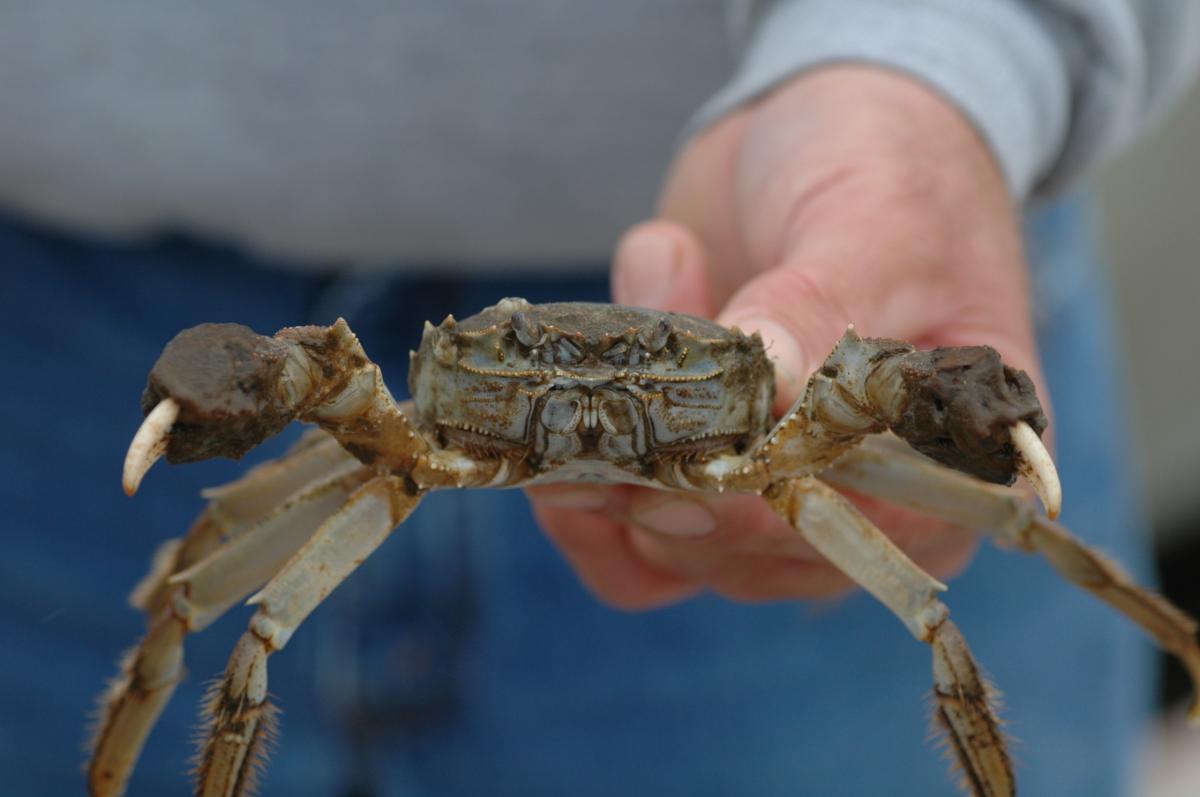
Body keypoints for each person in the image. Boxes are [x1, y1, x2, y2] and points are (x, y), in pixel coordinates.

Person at [2, 2, 1198, 795]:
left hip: (837, 219)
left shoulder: (801, 413)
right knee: (224, 623)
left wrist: (939, 75)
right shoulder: (389, 426)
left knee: (971, 582)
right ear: (440, 362)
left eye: (633, 387)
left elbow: (905, 410)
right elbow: (255, 488)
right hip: (53, 298)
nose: (588, 412)